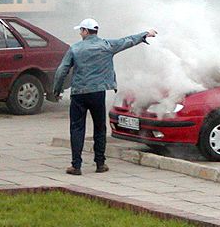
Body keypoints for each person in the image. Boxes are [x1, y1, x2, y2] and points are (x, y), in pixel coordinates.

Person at [52, 18, 157, 175]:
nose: (80, 33)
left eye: (81, 30)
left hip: (79, 94)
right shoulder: (107, 45)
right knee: (100, 128)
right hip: (98, 93)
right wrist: (145, 34)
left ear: (86, 31)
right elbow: (127, 41)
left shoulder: (75, 48)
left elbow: (62, 71)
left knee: (77, 128)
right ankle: (100, 164)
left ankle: (76, 166)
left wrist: (57, 90)